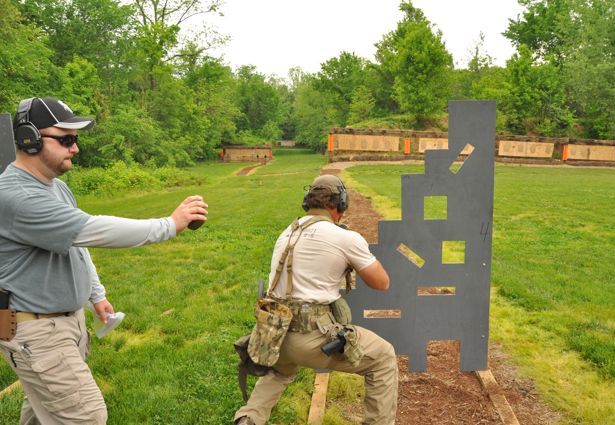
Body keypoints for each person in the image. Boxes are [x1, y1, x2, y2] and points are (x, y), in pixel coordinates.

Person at [0, 97, 208, 424]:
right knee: (88, 416)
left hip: (61, 320)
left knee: (44, 413)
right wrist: (169, 225)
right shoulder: (16, 196)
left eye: (75, 139)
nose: (75, 148)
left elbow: (76, 243)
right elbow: (93, 229)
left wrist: (95, 294)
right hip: (35, 328)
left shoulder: (56, 187)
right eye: (66, 139)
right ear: (30, 139)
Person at [234, 174, 398, 425]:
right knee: (383, 358)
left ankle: (248, 419)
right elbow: (381, 283)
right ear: (340, 203)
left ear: (307, 202)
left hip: (275, 335)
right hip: (312, 338)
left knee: (281, 371)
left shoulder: (288, 232)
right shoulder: (344, 238)